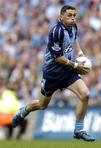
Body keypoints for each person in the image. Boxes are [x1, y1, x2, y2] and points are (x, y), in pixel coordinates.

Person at [12, 5, 95, 142]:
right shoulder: (56, 32)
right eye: (69, 15)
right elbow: (58, 58)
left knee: (85, 94)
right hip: (53, 73)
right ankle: (24, 111)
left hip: (67, 71)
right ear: (61, 16)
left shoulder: (73, 27)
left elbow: (75, 39)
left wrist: (80, 53)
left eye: (74, 15)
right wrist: (75, 65)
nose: (73, 18)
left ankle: (79, 129)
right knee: (42, 105)